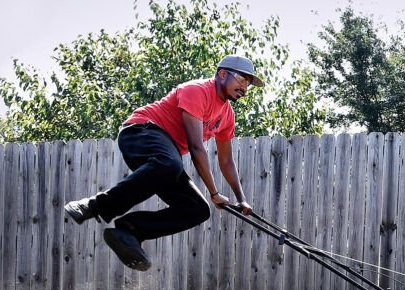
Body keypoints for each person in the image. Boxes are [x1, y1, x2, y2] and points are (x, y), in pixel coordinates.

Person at [63, 55, 260, 271]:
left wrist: (241, 200)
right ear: (222, 74)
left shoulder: (227, 116)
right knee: (171, 164)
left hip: (164, 159)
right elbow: (196, 148)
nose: (245, 87)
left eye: (248, 83)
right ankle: (94, 206)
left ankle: (128, 231)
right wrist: (214, 193)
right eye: (242, 79)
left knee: (198, 209)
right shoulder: (197, 91)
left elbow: (226, 160)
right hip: (140, 132)